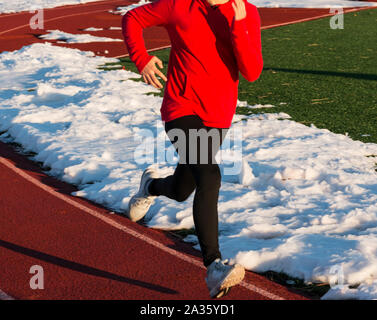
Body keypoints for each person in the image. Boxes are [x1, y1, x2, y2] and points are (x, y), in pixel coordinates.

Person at [122, 0, 263, 298]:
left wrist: (238, 25)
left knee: (183, 188)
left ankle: (151, 186)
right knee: (210, 176)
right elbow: (132, 18)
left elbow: (252, 71)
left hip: (218, 116)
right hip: (181, 108)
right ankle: (213, 266)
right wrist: (141, 58)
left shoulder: (246, 12)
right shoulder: (179, 4)